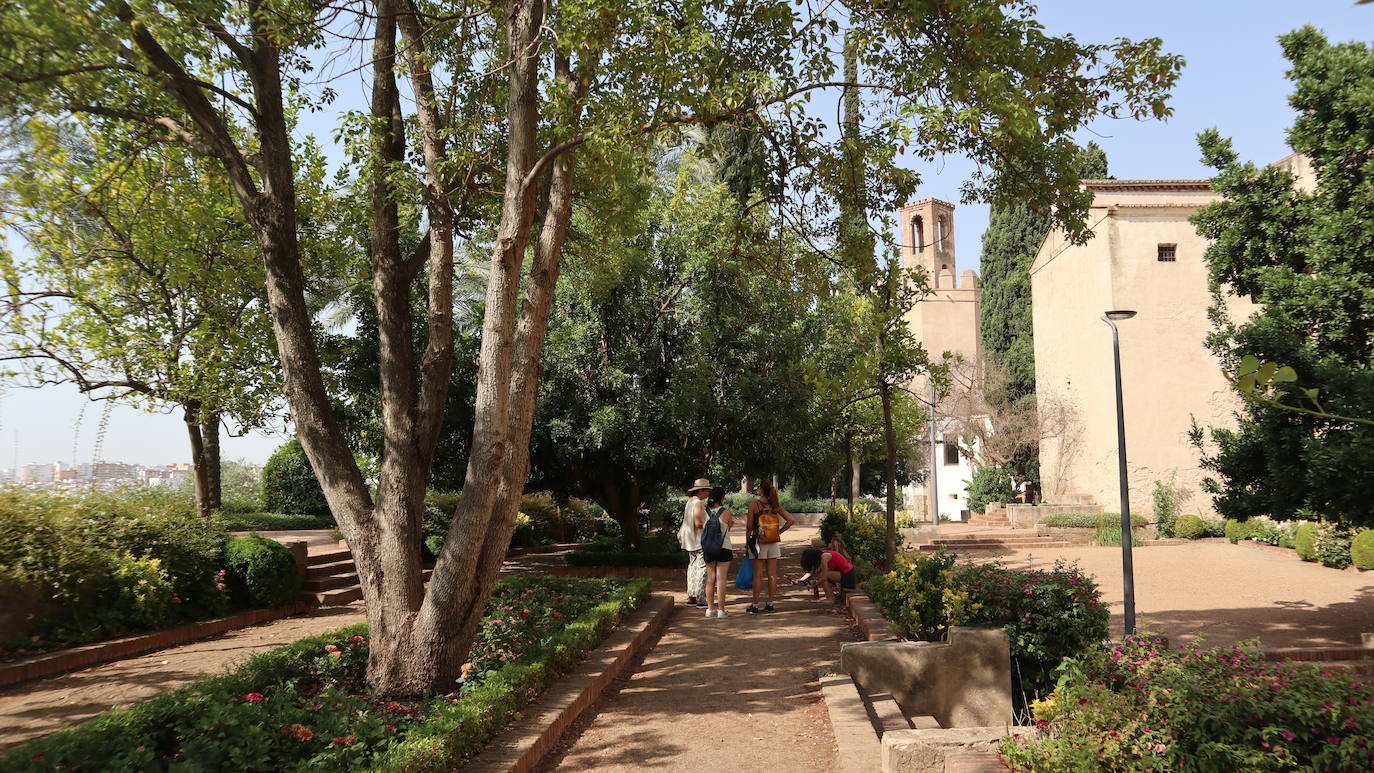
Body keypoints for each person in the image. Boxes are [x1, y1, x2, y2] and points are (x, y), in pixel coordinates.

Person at [744, 480, 795, 614]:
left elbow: (749, 526)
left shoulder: (754, 505)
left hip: (758, 542)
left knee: (758, 575)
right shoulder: (775, 506)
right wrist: (778, 532)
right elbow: (791, 521)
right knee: (772, 574)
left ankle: (755, 605)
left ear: (761, 490)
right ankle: (771, 603)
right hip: (773, 542)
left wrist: (747, 543)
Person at [698, 486, 735, 618]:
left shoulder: (704, 512)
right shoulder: (726, 512)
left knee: (710, 578)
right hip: (724, 547)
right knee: (721, 579)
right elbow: (729, 525)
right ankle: (721, 610)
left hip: (708, 547)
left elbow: (700, 525)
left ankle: (710, 609)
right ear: (721, 498)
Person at [677, 478, 711, 609]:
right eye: (707, 490)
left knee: (692, 566)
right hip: (698, 540)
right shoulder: (698, 503)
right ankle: (700, 598)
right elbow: (698, 523)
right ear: (702, 491)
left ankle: (691, 595)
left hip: (690, 540)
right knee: (702, 568)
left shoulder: (690, 502)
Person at [796, 536, 856, 603]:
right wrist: (800, 581)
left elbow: (824, 577)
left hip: (848, 575)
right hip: (844, 574)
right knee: (820, 574)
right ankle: (830, 596)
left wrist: (813, 586)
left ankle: (831, 598)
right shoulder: (821, 555)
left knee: (822, 575)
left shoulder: (824, 557)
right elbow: (812, 572)